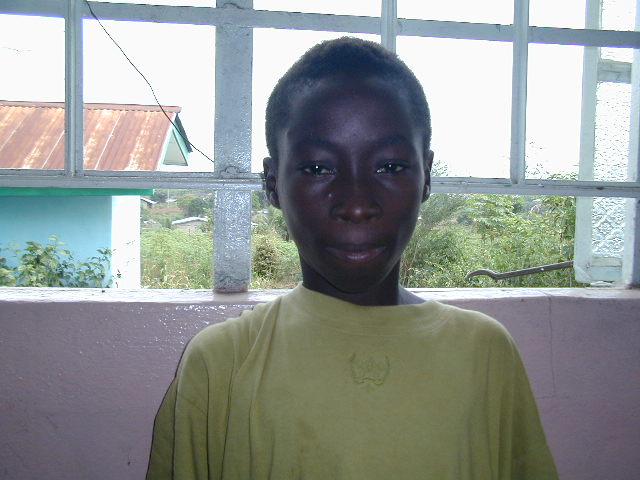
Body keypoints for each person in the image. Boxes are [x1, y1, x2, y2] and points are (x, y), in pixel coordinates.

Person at [146, 37, 558, 479]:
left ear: (425, 177)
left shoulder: (484, 352)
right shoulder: (220, 364)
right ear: (273, 184)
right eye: (318, 168)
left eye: (389, 167)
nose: (357, 204)